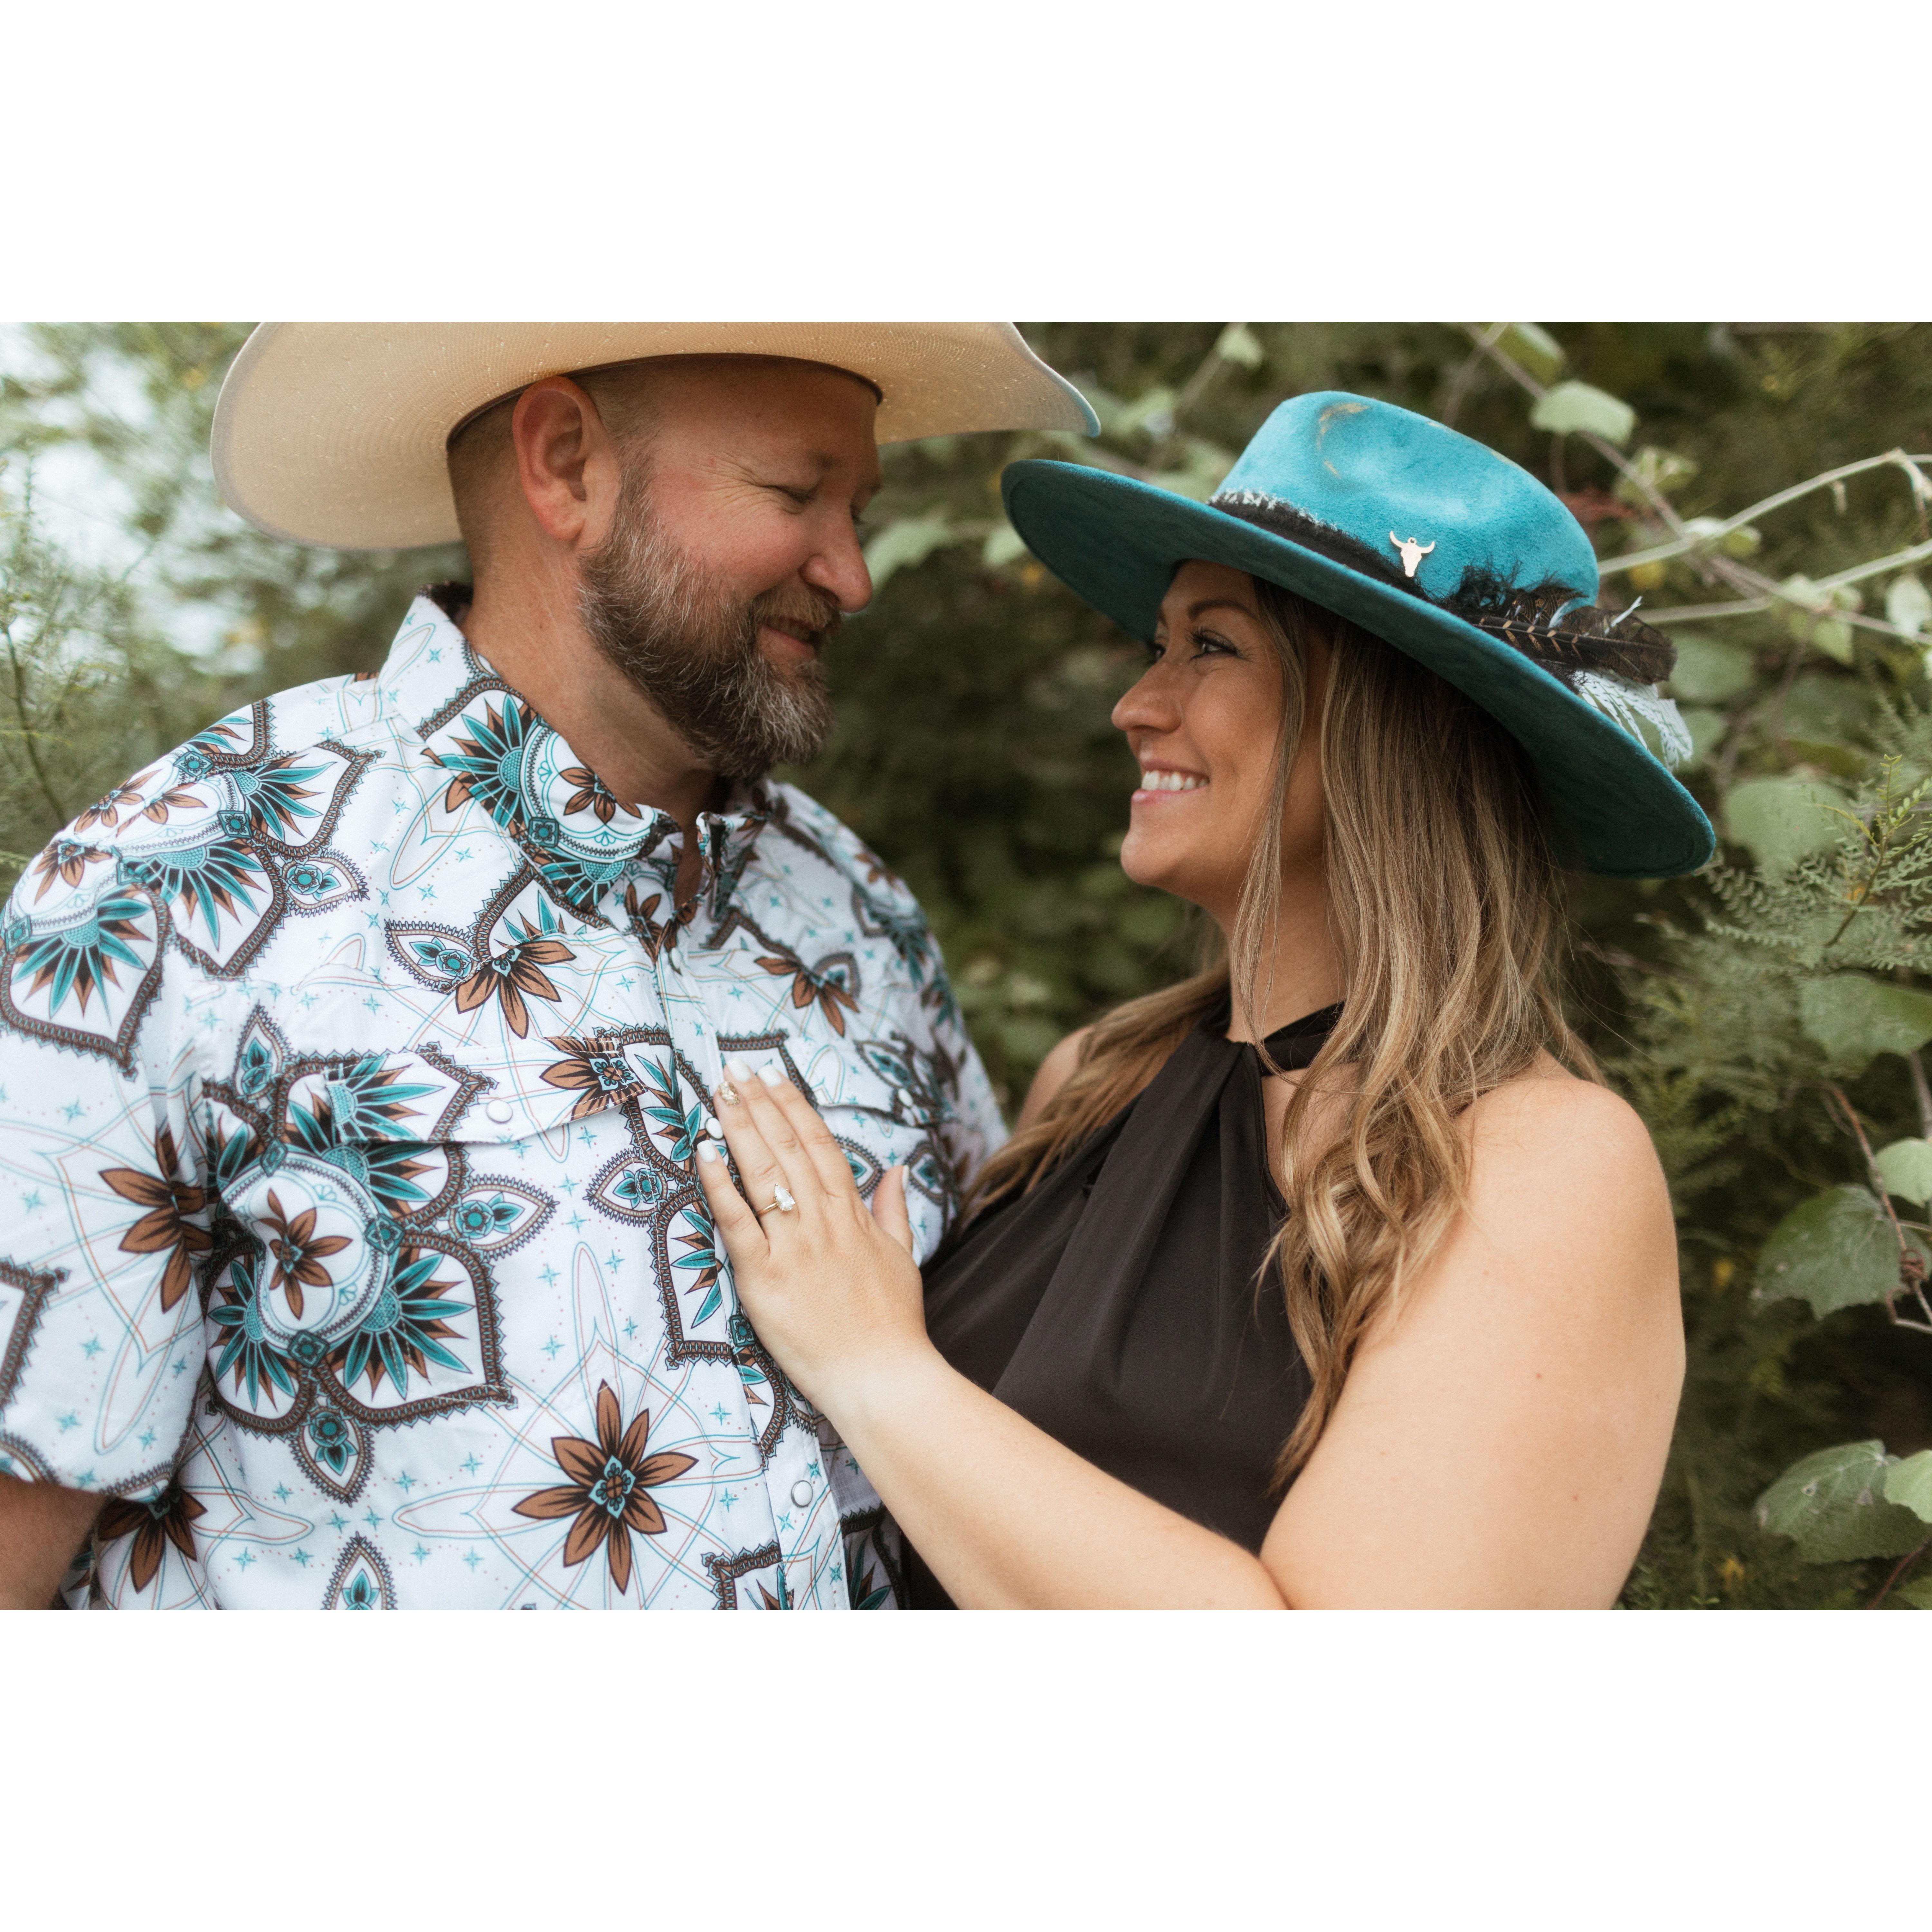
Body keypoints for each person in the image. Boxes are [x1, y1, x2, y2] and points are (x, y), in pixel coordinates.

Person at [0, 323, 1097, 1609]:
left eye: (858, 507)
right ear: (566, 465)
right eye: (797, 495)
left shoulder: (856, 912)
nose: (851, 573)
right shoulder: (177, 886)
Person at [692, 390, 1713, 1609]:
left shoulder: (1539, 1167)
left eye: (1211, 646)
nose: (1138, 705)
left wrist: (872, 1363)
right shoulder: (1094, 1087)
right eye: (1154, 646)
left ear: (1385, 719)